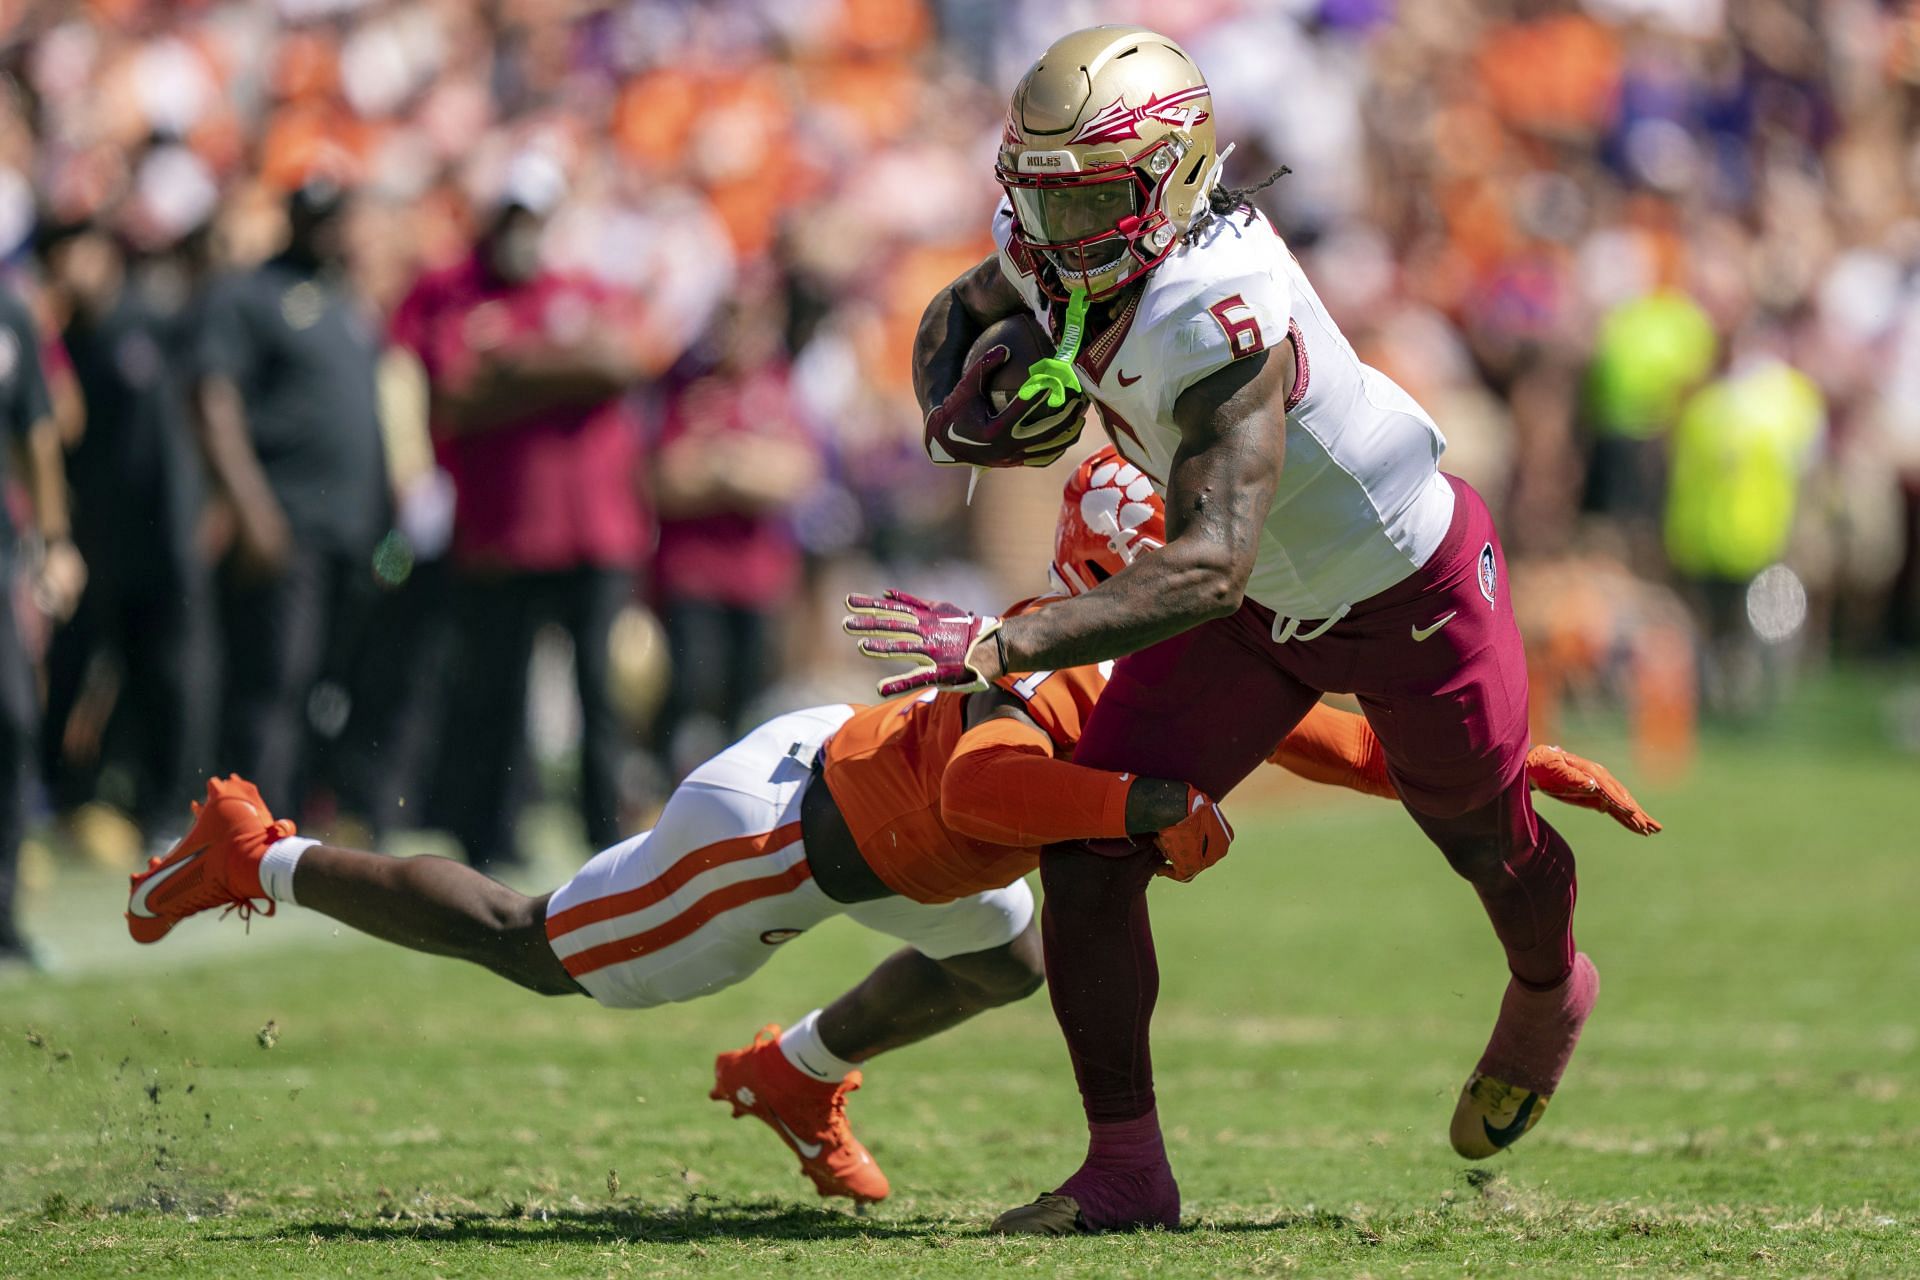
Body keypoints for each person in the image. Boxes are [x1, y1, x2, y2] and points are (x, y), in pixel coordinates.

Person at [122, 449, 1656, 1205]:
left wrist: (1513, 767)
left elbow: (1343, 743)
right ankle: (261, 852)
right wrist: (1141, 803)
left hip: (913, 848)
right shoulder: (1065, 638)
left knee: (1001, 963)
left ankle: (794, 1078)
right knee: (544, 950)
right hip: (789, 837)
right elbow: (994, 786)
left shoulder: (1175, 647)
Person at [851, 25, 1616, 1233]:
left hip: (1401, 591)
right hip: (1261, 604)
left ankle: (1547, 986)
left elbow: (1206, 564)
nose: (1059, 233)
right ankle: (1125, 1169)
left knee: (1482, 839)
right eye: (1042, 199)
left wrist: (1004, 642)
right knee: (1093, 842)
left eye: (1094, 197)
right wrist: (952, 398)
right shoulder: (1058, 236)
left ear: (1174, 176)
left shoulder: (1220, 309)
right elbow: (973, 300)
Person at [389, 155, 649, 868]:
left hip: (592, 530)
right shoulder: (453, 291)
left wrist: (514, 369)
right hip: (501, 536)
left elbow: (618, 364)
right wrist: (558, 369)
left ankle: (609, 838)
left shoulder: (581, 286)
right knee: (495, 696)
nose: (522, 231)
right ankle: (491, 837)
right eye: (512, 216)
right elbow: (455, 392)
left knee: (599, 694)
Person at [191, 180, 389, 814]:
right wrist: (251, 509)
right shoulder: (249, 293)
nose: (331, 230)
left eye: (340, 216)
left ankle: (295, 817)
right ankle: (247, 826)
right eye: (319, 216)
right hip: (286, 519)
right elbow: (213, 401)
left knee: (325, 685)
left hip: (350, 528)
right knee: (274, 677)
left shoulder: (347, 300)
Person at [38, 219, 211, 838]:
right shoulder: (60, 342)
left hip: (163, 538)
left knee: (166, 676)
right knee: (72, 668)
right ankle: (61, 797)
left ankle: (168, 806)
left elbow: (192, 426)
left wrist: (204, 510)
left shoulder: (154, 322)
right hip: (93, 538)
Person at [0, 280, 86, 968]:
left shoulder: (10, 314)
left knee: (13, 719)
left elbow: (36, 427)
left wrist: (55, 539)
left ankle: (2, 915)